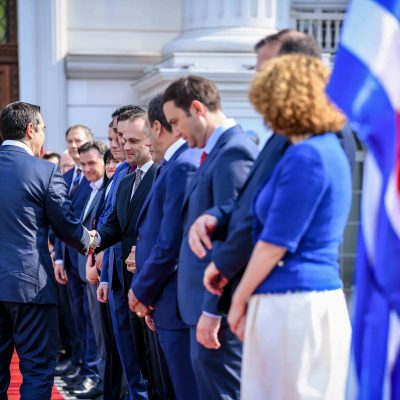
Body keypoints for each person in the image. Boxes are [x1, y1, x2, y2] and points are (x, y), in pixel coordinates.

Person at [188, 30, 356, 329]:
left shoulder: (315, 146)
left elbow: (277, 234)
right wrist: (218, 216)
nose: (259, 83)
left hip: (294, 295)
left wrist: (235, 289)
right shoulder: (291, 139)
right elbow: (256, 199)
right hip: (277, 292)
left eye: (265, 73)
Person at [228, 54, 352, 399]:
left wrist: (239, 299)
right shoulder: (324, 150)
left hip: (293, 305)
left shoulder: (307, 156)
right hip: (301, 301)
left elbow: (275, 242)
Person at [162, 75, 258, 399]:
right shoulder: (217, 151)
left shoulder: (235, 151)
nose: (176, 132)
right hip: (201, 306)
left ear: (197, 108)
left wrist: (214, 309)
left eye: (176, 121)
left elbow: (235, 237)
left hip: (216, 310)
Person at [0, 101, 95, 399]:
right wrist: (91, 240)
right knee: (38, 372)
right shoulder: (44, 171)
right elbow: (67, 225)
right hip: (31, 287)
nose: (43, 134)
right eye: (42, 128)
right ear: (31, 130)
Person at [126, 94, 200, 398]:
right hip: (165, 299)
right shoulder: (172, 164)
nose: (146, 142)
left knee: (182, 389)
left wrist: (141, 291)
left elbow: (169, 242)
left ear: (157, 128)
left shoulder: (182, 166)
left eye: (145, 134)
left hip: (174, 300)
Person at [94, 109, 162, 398]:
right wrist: (85, 240)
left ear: (150, 138)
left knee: (156, 369)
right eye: (123, 139)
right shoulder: (124, 182)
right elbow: (112, 227)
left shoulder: (160, 176)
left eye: (133, 140)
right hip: (125, 285)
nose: (125, 145)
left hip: (151, 286)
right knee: (138, 365)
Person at [53, 124, 97, 388]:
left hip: (87, 259)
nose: (73, 145)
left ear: (89, 141)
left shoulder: (96, 179)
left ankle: (91, 369)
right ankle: (80, 363)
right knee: (77, 316)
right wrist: (59, 258)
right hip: (69, 259)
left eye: (78, 140)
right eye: (69, 140)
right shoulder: (67, 177)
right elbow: (60, 221)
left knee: (90, 319)